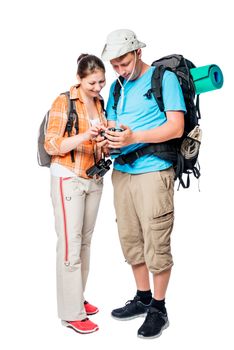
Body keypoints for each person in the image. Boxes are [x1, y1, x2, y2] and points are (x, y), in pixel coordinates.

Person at [100, 29, 186, 338]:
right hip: (122, 172)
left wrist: (135, 136)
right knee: (131, 239)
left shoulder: (164, 79)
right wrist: (108, 137)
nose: (120, 70)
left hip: (154, 172)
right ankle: (142, 297)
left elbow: (176, 127)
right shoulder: (118, 87)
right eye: (115, 65)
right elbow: (111, 122)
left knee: (156, 241)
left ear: (137, 52)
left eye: (123, 62)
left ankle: (159, 309)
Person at [44, 54, 107, 334]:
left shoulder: (100, 102)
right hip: (68, 176)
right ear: (79, 79)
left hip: (93, 177)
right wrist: (86, 136)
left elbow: (98, 142)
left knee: (85, 243)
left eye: (102, 81)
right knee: (70, 245)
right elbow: (52, 144)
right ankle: (71, 313)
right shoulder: (64, 101)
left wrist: (106, 140)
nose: (98, 87)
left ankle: (77, 296)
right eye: (92, 82)